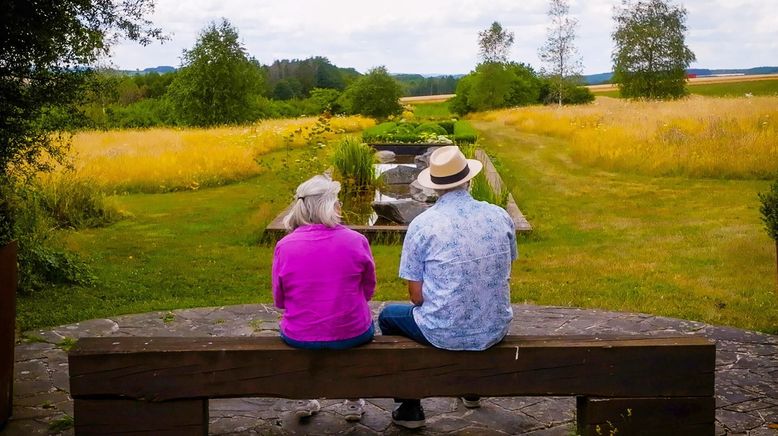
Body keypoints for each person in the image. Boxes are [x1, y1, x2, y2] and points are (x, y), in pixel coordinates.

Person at [378, 146, 518, 429]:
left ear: (435, 187)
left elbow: (416, 298)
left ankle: (410, 407)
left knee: (388, 317)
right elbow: (504, 269)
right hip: (494, 326)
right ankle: (471, 390)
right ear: (468, 179)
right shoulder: (500, 215)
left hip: (444, 330)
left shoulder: (423, 224)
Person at [272, 174, 376, 422]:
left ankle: (305, 396)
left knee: (306, 332)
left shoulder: (285, 246)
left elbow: (280, 299)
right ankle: (352, 400)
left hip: (300, 333)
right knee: (355, 332)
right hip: (353, 331)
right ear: (332, 206)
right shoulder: (356, 241)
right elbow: (369, 289)